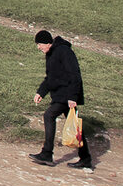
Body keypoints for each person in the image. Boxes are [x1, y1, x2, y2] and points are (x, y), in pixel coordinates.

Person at [30, 29, 93, 169]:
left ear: (47, 42)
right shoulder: (50, 54)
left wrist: (72, 97)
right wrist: (41, 92)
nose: (38, 47)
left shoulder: (64, 51)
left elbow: (75, 75)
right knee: (75, 125)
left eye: (39, 44)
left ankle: (47, 153)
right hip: (60, 95)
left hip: (67, 95)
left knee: (49, 115)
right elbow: (50, 78)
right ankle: (85, 158)